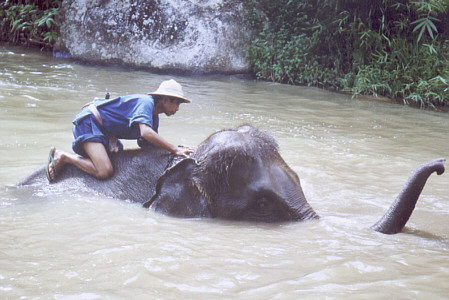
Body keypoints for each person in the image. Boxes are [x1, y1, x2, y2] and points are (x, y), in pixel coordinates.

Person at [46, 79, 195, 182]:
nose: (177, 109)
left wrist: (176, 150)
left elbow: (148, 144)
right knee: (105, 171)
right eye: (176, 103)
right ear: (165, 99)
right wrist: (174, 148)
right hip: (89, 123)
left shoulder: (153, 118)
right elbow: (145, 133)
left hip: (104, 132)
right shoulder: (146, 103)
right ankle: (64, 156)